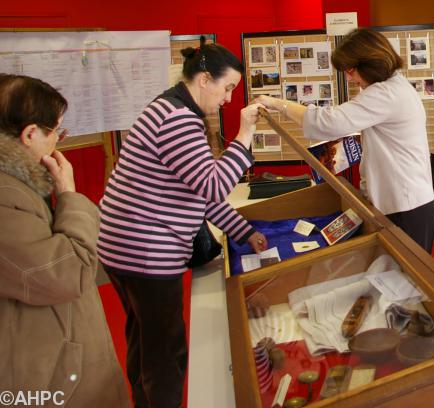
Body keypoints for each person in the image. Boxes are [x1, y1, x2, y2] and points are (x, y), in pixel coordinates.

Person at [99, 40, 268, 408]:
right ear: (205, 79)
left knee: (145, 343)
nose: (228, 99)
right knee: (165, 356)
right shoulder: (178, 118)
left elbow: (198, 193)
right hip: (145, 253)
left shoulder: (168, 107)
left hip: (124, 248)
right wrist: (243, 137)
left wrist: (244, 231)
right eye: (227, 89)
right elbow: (212, 184)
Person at [0, 74, 128, 407]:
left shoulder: (18, 183)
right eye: (55, 130)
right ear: (30, 134)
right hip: (49, 375)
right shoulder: (6, 197)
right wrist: (69, 194)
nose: (58, 140)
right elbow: (70, 272)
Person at [253, 28, 434, 253]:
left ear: (370, 63)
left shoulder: (386, 93)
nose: (349, 78)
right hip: (404, 202)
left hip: (407, 206)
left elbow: (327, 123)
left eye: (350, 70)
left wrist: (277, 104)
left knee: (408, 281)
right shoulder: (393, 87)